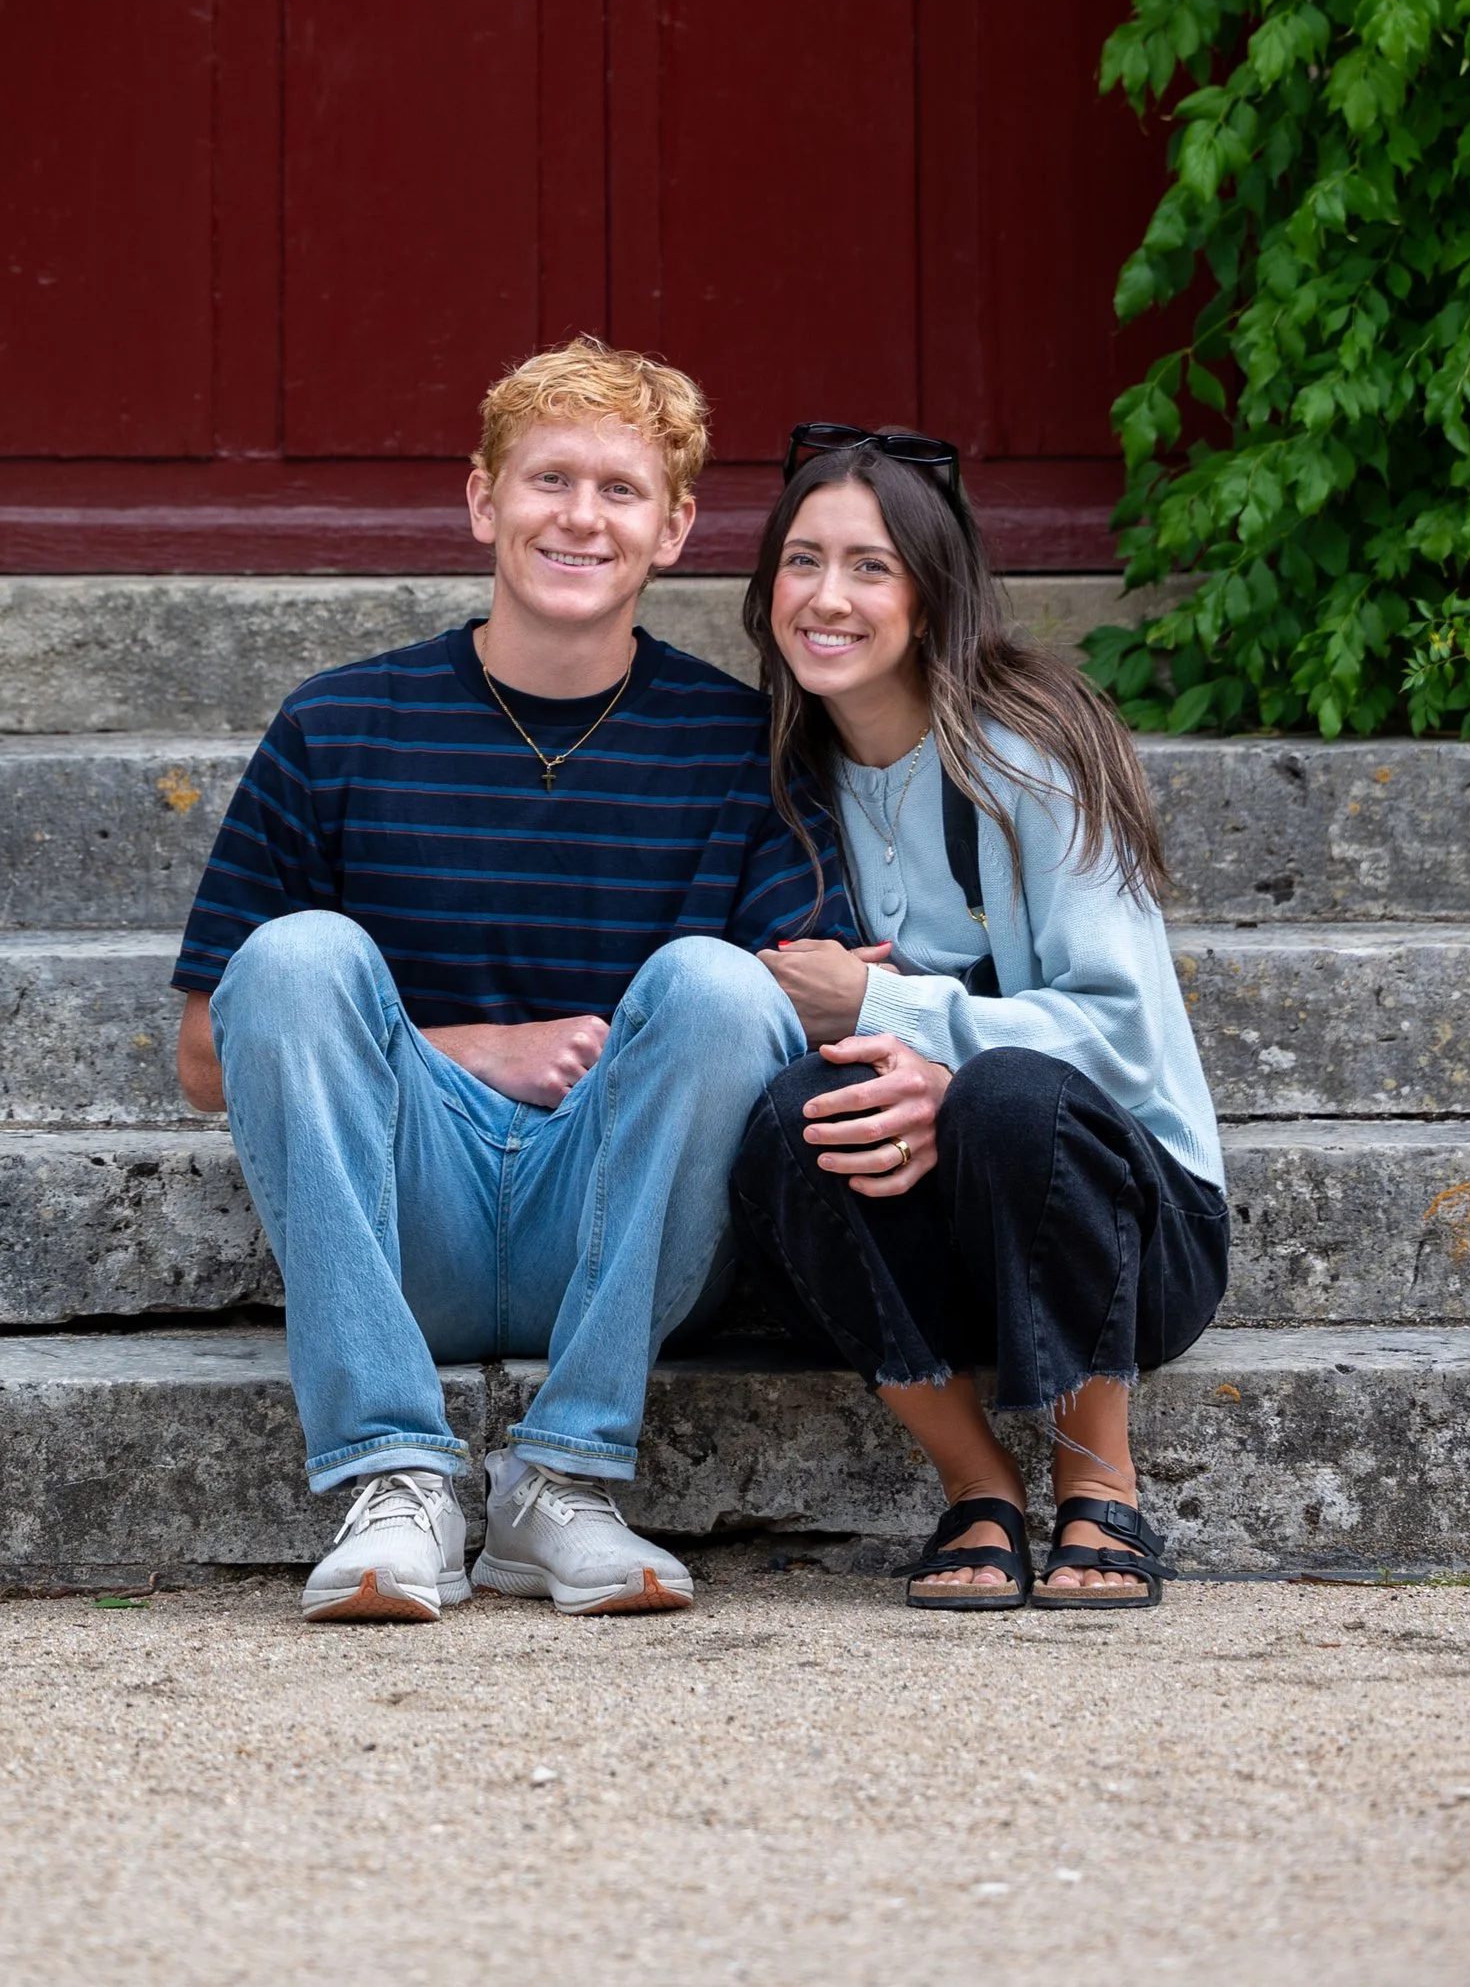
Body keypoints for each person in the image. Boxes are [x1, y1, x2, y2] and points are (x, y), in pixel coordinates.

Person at [173, 339, 843, 1625]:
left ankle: (564, 1485)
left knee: (716, 984)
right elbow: (210, 1057)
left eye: (621, 488)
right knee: (299, 952)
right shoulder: (338, 727)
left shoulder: (744, 748)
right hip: (400, 1209)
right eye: (548, 478)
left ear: (676, 527)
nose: (580, 516)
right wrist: (470, 1048)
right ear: (484, 500)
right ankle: (392, 1476)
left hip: (624, 1227)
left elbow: (777, 1024)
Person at [728, 425, 1227, 1612]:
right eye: (802, 561)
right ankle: (976, 1485)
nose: (826, 596)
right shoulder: (781, 775)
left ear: (930, 590)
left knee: (1007, 1094)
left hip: (1123, 1226)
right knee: (797, 1111)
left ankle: (1100, 1484)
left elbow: (1122, 1030)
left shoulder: (1028, 752)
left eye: (869, 565)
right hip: (926, 1235)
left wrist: (894, 1013)